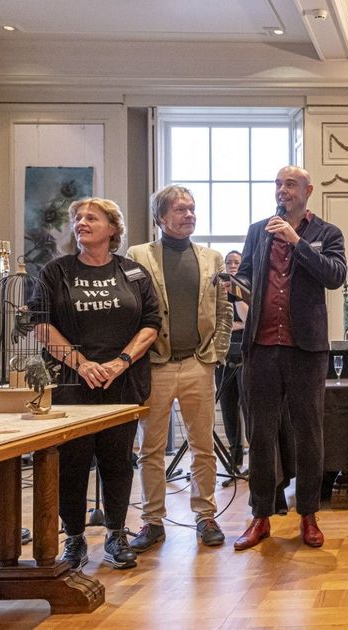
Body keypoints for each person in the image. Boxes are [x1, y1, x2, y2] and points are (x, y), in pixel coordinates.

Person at [32, 197, 160, 570]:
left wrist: (120, 363)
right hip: (72, 384)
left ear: (113, 229)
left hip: (122, 384)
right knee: (72, 463)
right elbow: (41, 325)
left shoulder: (133, 273)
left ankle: (117, 535)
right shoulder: (56, 272)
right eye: (78, 218)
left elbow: (151, 323)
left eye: (92, 217)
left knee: (118, 462)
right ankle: (73, 538)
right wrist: (82, 363)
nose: (82, 223)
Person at [232, 165, 347, 551]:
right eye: (279, 184)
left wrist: (297, 241)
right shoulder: (257, 231)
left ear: (308, 190)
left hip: (306, 348)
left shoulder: (327, 233)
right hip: (261, 347)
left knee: (309, 432)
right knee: (261, 433)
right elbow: (246, 277)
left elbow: (334, 276)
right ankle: (260, 515)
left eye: (291, 184)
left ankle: (309, 515)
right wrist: (234, 285)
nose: (283, 190)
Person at [127, 185, 232, 552]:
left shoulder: (212, 258)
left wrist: (216, 355)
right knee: (150, 450)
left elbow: (224, 310)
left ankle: (205, 516)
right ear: (160, 217)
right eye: (180, 210)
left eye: (191, 209)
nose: (189, 215)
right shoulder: (138, 255)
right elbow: (131, 309)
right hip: (153, 366)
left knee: (202, 447)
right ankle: (152, 521)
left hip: (197, 364)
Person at [216, 250, 249, 473]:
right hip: (223, 354)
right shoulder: (217, 292)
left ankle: (255, 460)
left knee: (248, 406)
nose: (232, 265)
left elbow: (248, 319)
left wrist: (236, 292)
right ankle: (234, 461)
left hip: (246, 354)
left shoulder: (245, 289)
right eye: (229, 262)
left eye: (237, 262)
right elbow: (214, 322)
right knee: (228, 407)